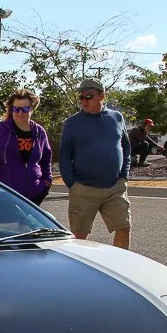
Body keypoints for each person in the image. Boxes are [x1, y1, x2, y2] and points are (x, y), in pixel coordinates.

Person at [59, 79, 132, 249]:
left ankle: (119, 270)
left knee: (123, 228)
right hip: (83, 189)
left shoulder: (116, 118)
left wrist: (124, 177)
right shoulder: (72, 123)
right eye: (81, 97)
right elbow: (64, 156)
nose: (84, 100)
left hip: (115, 188)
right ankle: (80, 274)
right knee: (79, 236)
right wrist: (72, 184)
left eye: (89, 97)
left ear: (102, 96)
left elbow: (126, 148)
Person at [0, 89, 53, 205]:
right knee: (9, 224)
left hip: (34, 195)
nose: (20, 112)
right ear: (11, 110)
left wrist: (47, 182)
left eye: (25, 109)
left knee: (28, 224)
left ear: (31, 109)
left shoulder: (39, 132)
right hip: (4, 195)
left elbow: (46, 160)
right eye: (16, 109)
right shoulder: (0, 132)